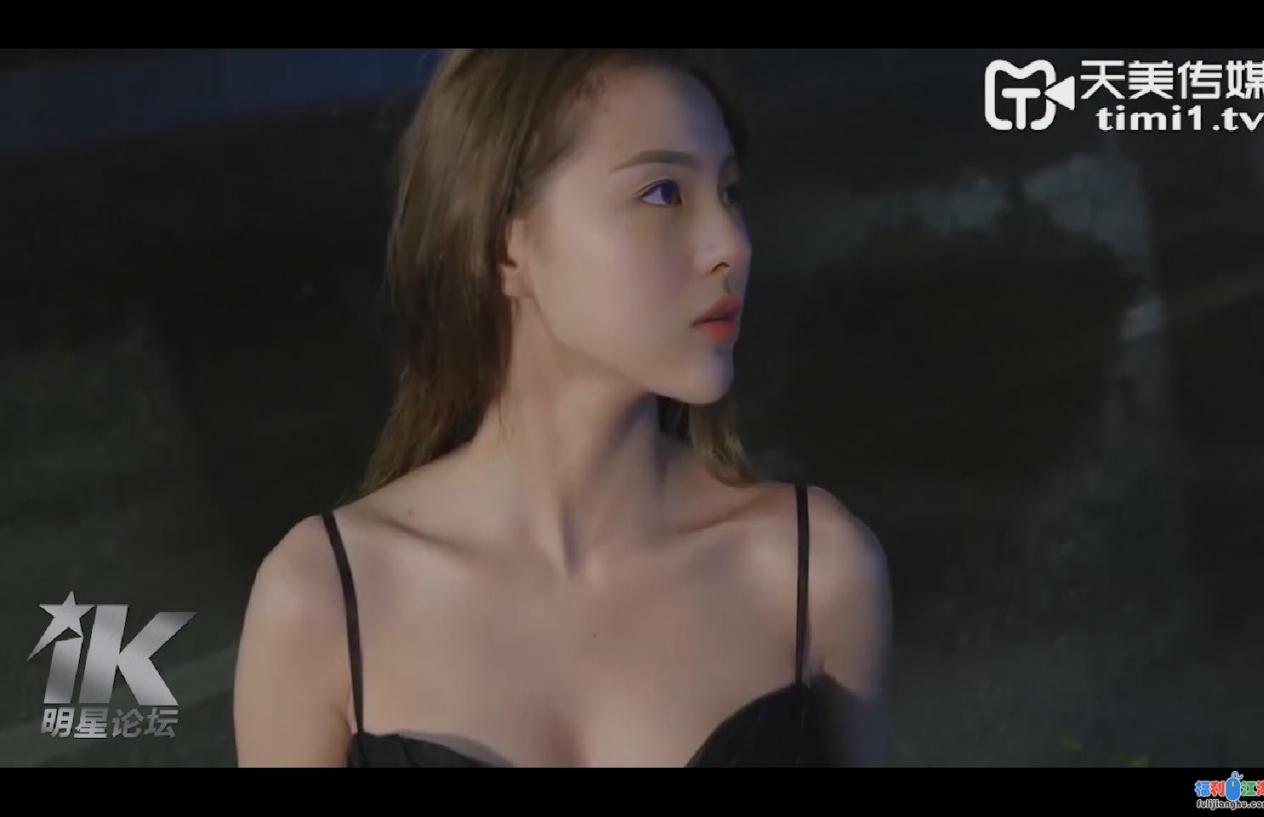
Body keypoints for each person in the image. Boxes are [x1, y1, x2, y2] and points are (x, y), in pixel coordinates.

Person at [233, 48, 892, 767]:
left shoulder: (811, 570)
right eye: (663, 193)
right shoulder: (326, 601)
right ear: (505, 246)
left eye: (729, 192)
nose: (731, 245)